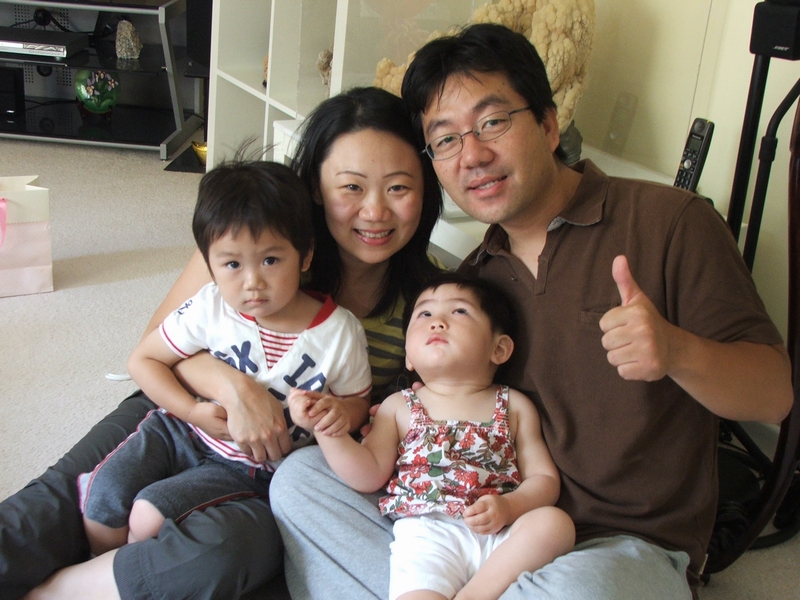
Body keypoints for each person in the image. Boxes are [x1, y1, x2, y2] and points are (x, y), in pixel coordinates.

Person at [269, 23, 794, 600]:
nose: (472, 155)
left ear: (548, 124)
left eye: (493, 122)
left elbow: (774, 394)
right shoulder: (474, 283)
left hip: (619, 547)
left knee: (579, 592)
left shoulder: (670, 222)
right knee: (303, 482)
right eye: (446, 140)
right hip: (481, 529)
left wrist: (676, 351)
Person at [1, 86, 442, 600]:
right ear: (316, 188)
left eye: (398, 187)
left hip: (268, 468)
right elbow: (157, 348)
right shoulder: (249, 239)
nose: (375, 211)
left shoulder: (434, 302)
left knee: (217, 551)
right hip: (179, 409)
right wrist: (237, 391)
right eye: (351, 186)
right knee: (50, 511)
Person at [77, 157, 372, 558]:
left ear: (305, 256)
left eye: (270, 260)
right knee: (104, 496)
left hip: (249, 467)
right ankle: (96, 564)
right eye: (232, 264)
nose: (252, 282)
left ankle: (124, 572)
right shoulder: (210, 306)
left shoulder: (340, 333)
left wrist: (338, 414)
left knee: (148, 516)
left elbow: (358, 403)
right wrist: (191, 411)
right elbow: (143, 361)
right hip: (178, 429)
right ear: (210, 264)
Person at [290, 272, 574, 600]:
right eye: (424, 313)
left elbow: (543, 479)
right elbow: (368, 473)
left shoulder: (514, 406)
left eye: (459, 311)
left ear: (499, 348)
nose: (437, 322)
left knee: (555, 524)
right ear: (408, 356)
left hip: (503, 531)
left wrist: (509, 508)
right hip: (427, 535)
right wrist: (327, 430)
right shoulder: (399, 406)